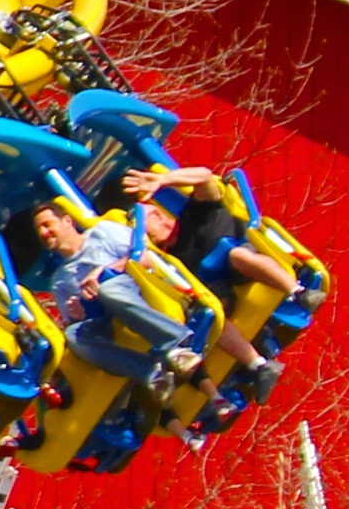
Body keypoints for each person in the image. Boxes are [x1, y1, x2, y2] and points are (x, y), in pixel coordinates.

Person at [125, 167, 293, 400]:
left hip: (243, 254)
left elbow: (205, 176)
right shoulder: (170, 261)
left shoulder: (195, 211)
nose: (160, 220)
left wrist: (163, 180)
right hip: (221, 288)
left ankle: (297, 292)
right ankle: (259, 366)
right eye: (148, 222)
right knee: (213, 316)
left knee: (238, 256)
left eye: (156, 214)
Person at [24, 202, 207, 394]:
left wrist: (104, 270)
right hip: (106, 316)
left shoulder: (103, 233)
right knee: (73, 334)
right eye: (39, 230)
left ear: (67, 221)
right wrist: (76, 315)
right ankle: (153, 374)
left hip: (137, 287)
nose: (44, 233)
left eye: (47, 224)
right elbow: (73, 321)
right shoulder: (60, 279)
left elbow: (144, 258)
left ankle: (176, 345)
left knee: (108, 288)